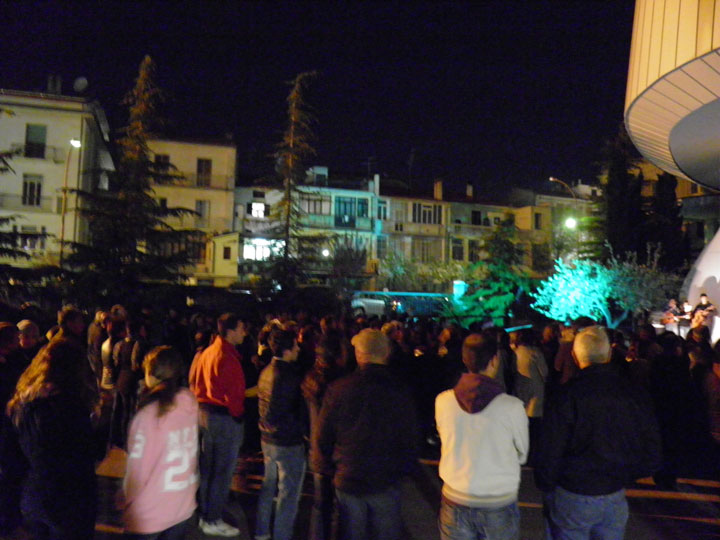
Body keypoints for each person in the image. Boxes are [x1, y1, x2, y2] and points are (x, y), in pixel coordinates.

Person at [535, 326, 662, 540]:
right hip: (614, 491)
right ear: (609, 354)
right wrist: (627, 474)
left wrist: (547, 485)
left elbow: (551, 447)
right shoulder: (632, 393)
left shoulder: (567, 395)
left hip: (573, 491)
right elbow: (652, 448)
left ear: (575, 356)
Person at [312, 328, 419, 540]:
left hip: (348, 476)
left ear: (359, 354)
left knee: (351, 533)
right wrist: (404, 469)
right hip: (385, 478)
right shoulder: (399, 391)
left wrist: (328, 468)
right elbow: (410, 438)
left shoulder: (339, 388)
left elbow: (323, 435)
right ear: (386, 353)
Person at [435, 333, 529, 540]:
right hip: (498, 499)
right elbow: (522, 454)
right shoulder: (512, 407)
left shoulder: (443, 401)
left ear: (464, 359)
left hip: (456, 496)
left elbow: (445, 437)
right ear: (494, 361)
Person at [6, 338, 100, 540]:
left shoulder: (22, 403)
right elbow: (87, 454)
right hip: (69, 500)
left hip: (34, 494)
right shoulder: (71, 406)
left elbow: (11, 455)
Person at [121, 346, 199, 539]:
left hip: (150, 514)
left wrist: (125, 499)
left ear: (151, 375)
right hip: (182, 505)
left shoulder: (148, 416)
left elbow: (137, 472)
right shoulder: (188, 401)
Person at [189, 313, 248, 537]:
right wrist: (238, 417)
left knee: (207, 470)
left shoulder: (208, 351)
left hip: (205, 415)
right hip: (223, 419)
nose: (244, 332)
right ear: (230, 331)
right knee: (222, 472)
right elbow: (235, 398)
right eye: (241, 328)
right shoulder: (227, 357)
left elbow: (195, 381)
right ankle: (212, 518)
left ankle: (206, 514)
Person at [255, 329, 307, 540]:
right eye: (295, 345)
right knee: (288, 494)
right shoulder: (289, 376)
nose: (298, 349)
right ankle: (281, 535)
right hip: (287, 440)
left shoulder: (267, 370)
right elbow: (292, 411)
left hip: (267, 438)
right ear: (287, 349)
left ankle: (261, 531)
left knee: (269, 487)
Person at [302, 333, 346, 540]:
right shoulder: (338, 382)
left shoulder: (310, 376)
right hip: (334, 449)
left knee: (320, 506)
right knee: (337, 507)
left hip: (315, 444)